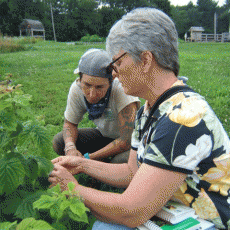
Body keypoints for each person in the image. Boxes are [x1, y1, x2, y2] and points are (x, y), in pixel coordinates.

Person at [49, 8, 230, 229]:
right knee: (104, 227)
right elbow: (131, 171)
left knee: (106, 226)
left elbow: (131, 212)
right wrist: (82, 164)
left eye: (117, 62)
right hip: (182, 211)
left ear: (145, 60)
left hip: (209, 220)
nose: (114, 72)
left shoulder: (183, 117)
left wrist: (73, 189)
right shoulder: (150, 108)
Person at [52, 48, 140, 163]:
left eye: (99, 87)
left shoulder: (121, 89)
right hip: (105, 136)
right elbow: (70, 123)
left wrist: (88, 159)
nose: (92, 94)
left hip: (133, 142)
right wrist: (70, 149)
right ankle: (103, 161)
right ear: (80, 78)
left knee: (118, 162)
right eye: (87, 85)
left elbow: (127, 140)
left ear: (111, 81)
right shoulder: (76, 88)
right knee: (60, 141)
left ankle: (108, 164)